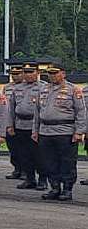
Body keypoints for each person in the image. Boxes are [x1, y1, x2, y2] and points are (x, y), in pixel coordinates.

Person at [33, 64, 86, 201]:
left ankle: (67, 189)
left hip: (65, 131)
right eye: (50, 73)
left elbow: (81, 112)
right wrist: (35, 131)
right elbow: (37, 113)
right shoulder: (43, 89)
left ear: (63, 73)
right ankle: (55, 187)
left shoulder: (73, 90)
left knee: (67, 162)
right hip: (45, 131)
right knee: (49, 162)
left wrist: (79, 132)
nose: (52, 76)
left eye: (55, 73)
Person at [4, 66, 25, 179]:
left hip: (23, 121)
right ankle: (17, 168)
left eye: (17, 73)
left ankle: (25, 171)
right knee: (13, 148)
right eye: (13, 74)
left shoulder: (27, 87)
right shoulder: (7, 87)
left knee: (25, 149)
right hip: (10, 121)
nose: (15, 76)